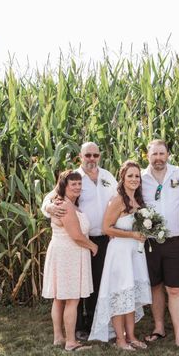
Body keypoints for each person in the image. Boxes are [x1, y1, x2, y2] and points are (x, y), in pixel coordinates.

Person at [42, 142, 117, 340]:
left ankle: (94, 322)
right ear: (80, 156)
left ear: (100, 156)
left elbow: (119, 198)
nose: (92, 159)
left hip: (104, 238)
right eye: (88, 155)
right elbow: (48, 200)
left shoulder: (107, 176)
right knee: (76, 286)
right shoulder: (73, 178)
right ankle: (77, 327)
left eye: (95, 155)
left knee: (95, 283)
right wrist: (49, 208)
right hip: (79, 240)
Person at [88, 161, 152, 350]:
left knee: (130, 294)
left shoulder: (138, 201)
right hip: (120, 253)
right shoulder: (117, 200)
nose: (134, 179)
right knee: (119, 293)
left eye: (137, 176)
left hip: (135, 252)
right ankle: (120, 339)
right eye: (130, 176)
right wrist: (132, 234)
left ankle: (131, 336)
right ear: (122, 178)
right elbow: (106, 228)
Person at [141, 139, 179, 353]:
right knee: (155, 286)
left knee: (174, 288)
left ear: (168, 155)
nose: (158, 158)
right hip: (151, 242)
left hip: (174, 241)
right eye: (154, 154)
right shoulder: (140, 177)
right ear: (148, 156)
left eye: (162, 154)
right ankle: (159, 328)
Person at [41, 170, 98, 352]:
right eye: (73, 184)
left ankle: (59, 337)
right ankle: (71, 342)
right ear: (64, 185)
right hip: (69, 253)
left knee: (59, 299)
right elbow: (76, 235)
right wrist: (92, 246)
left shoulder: (64, 203)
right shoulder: (64, 205)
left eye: (79, 184)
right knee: (71, 299)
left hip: (64, 252)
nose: (77, 187)